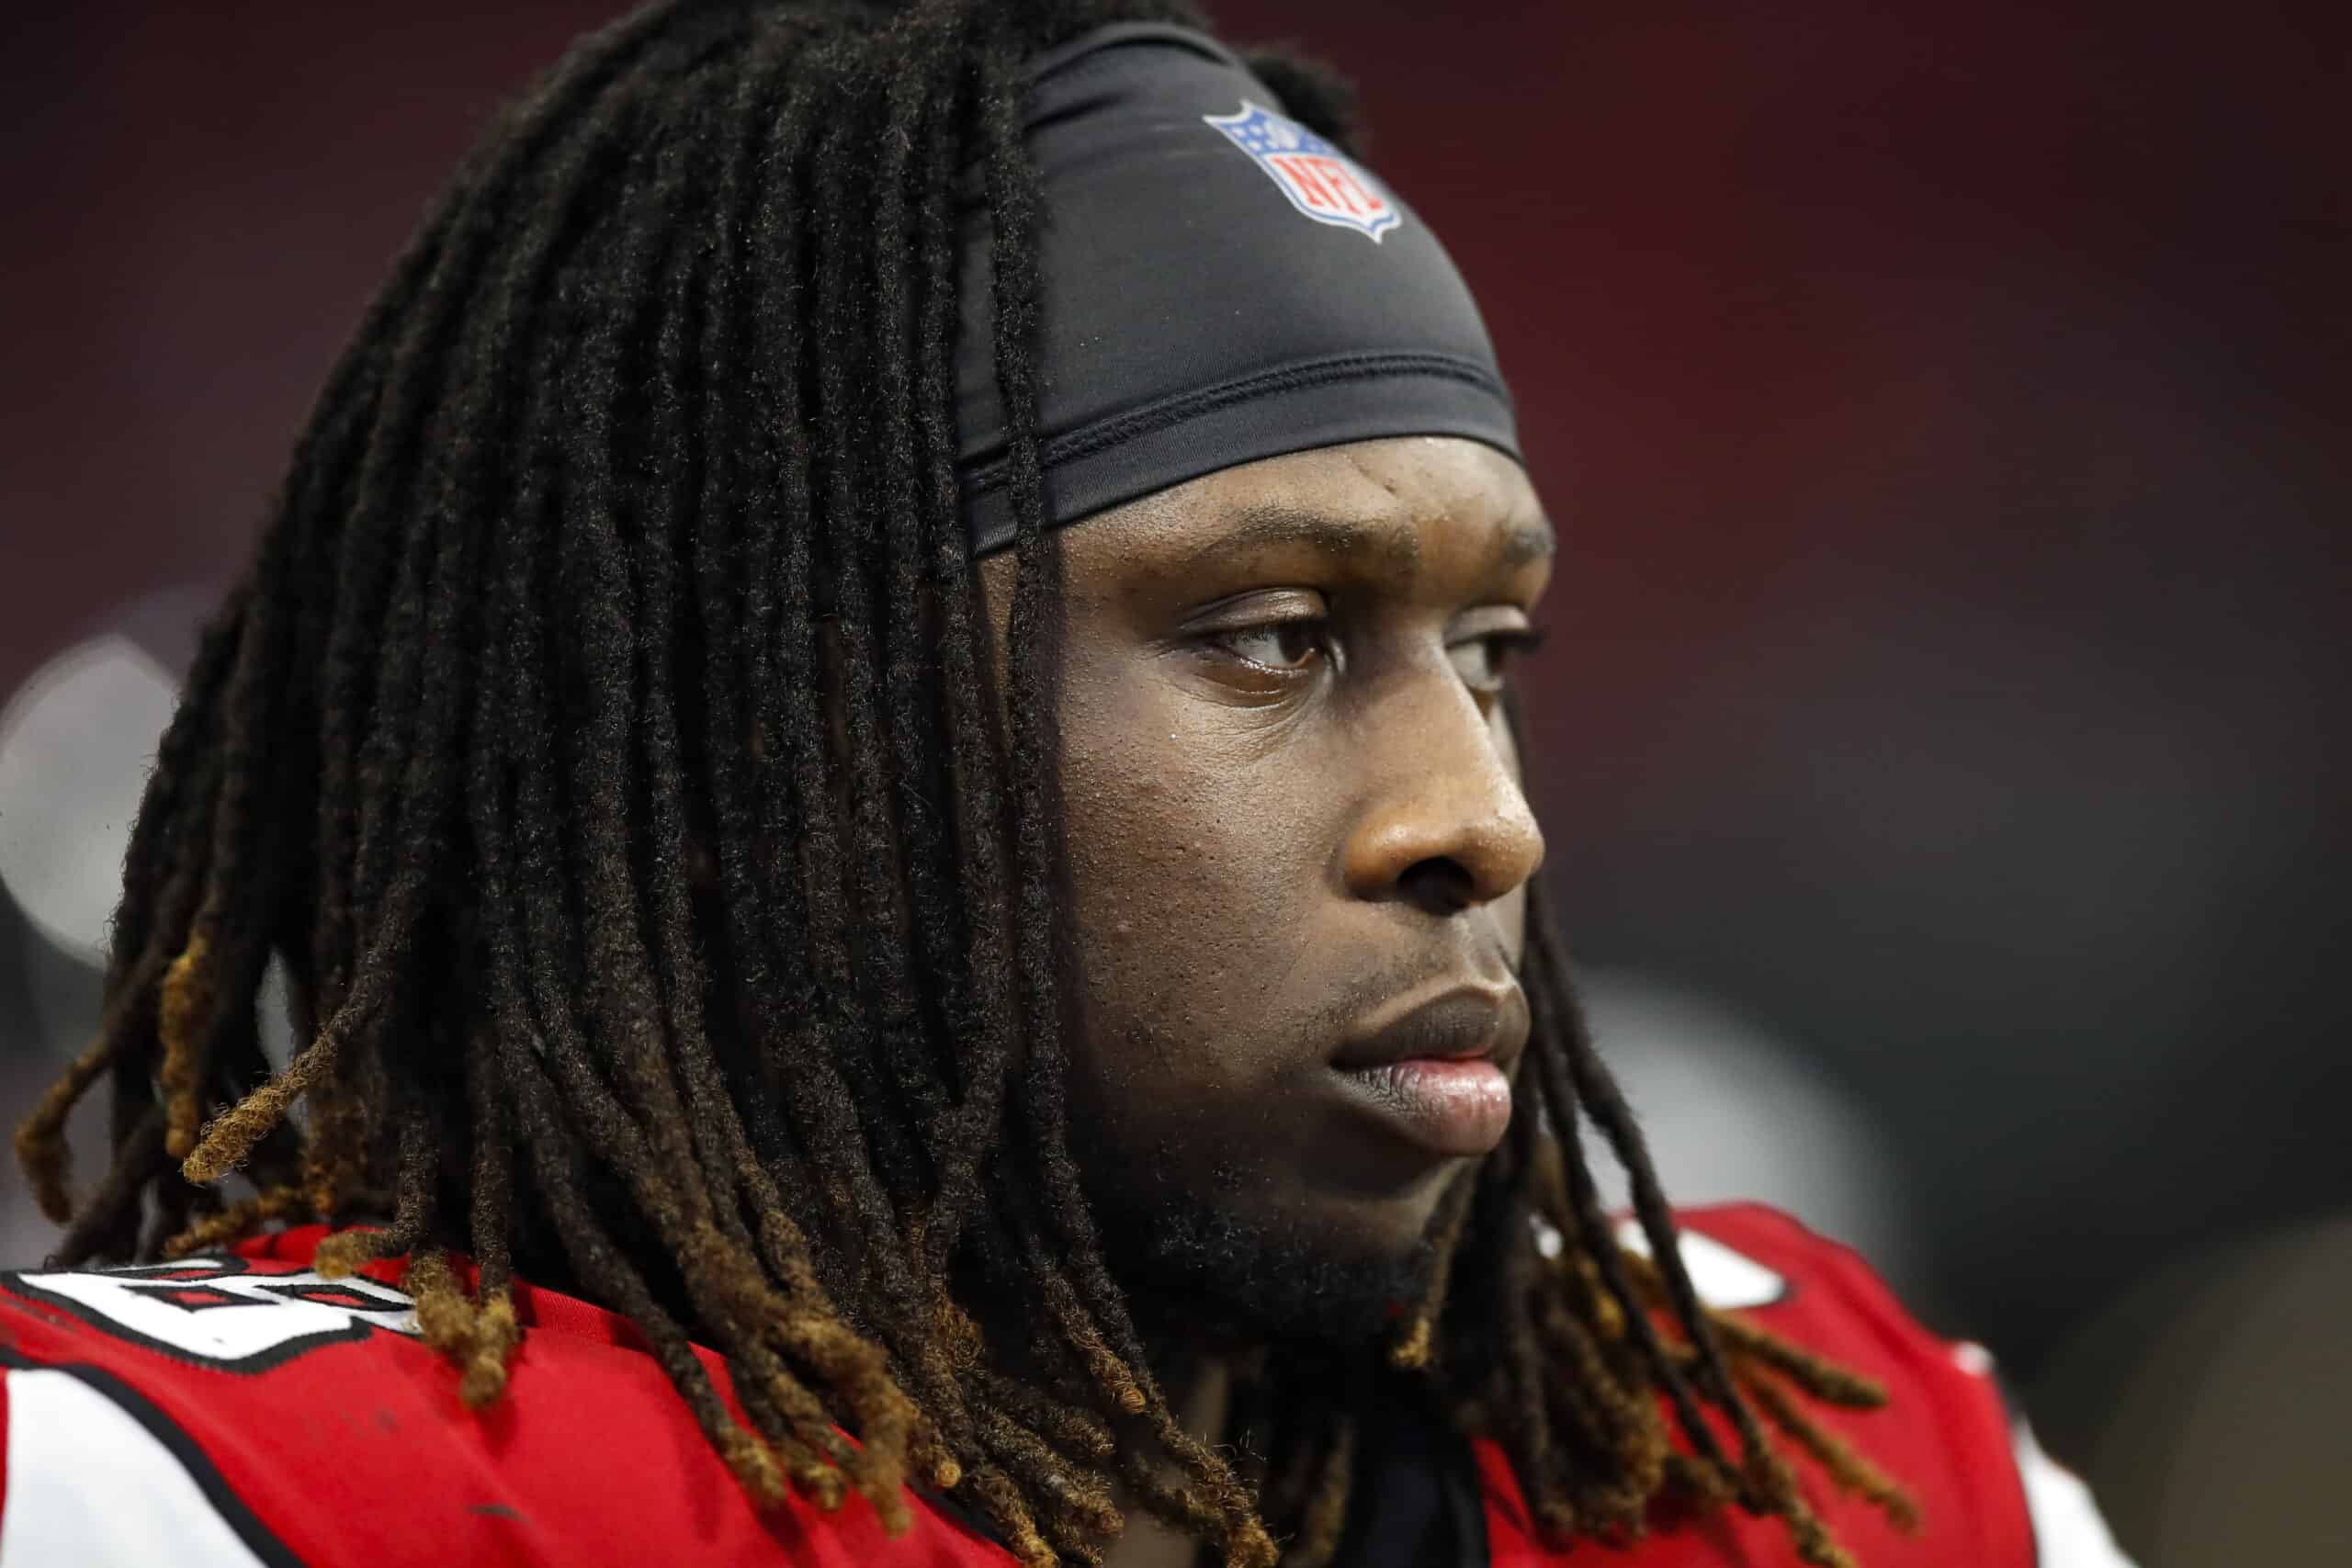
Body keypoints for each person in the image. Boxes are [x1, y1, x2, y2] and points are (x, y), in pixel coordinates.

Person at [2, 3, 2135, 1564]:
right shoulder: (241, 1500)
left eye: (1485, 653)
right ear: (790, 735)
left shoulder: (1807, 1464)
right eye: (1272, 637)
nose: (1477, 816)